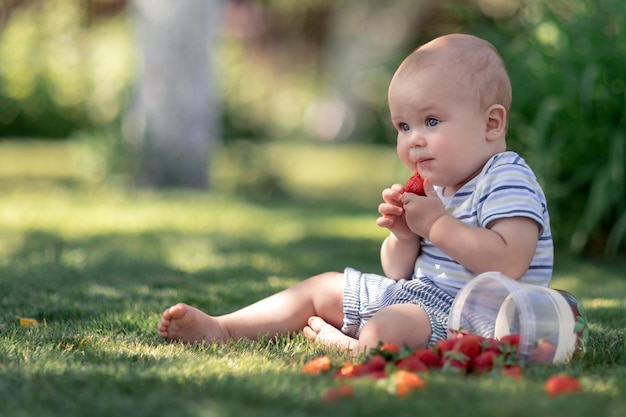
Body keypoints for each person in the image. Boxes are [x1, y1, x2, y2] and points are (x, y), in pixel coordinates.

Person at [157, 33, 553, 352]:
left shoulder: (506, 177)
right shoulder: (437, 186)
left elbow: (509, 262)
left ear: (491, 123)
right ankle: (223, 329)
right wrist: (404, 236)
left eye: (431, 121)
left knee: (391, 325)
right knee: (322, 286)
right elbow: (398, 273)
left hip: (480, 319)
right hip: (420, 297)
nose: (413, 140)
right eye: (403, 126)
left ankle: (354, 348)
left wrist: (435, 224)